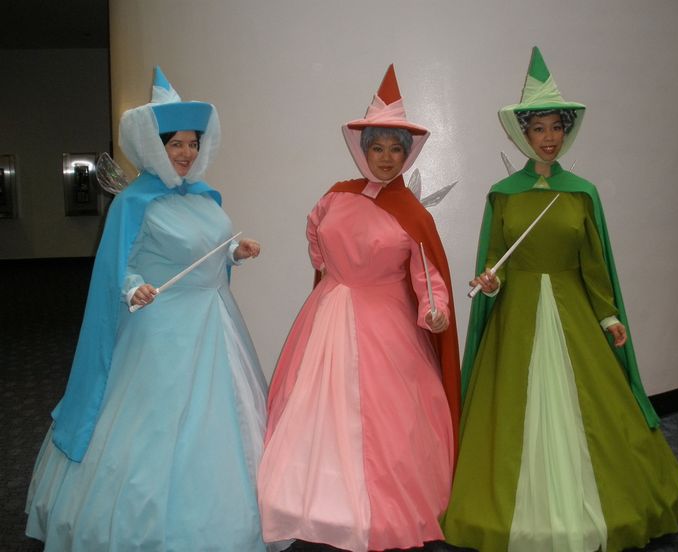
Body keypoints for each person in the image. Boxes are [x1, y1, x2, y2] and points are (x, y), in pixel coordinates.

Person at [442, 47, 678, 552]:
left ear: (566, 132)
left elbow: (595, 266)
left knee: (600, 412)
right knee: (511, 415)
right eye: (540, 129)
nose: (549, 138)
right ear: (523, 134)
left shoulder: (582, 194)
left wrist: (608, 313)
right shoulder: (502, 195)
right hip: (517, 320)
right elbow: (496, 263)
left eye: (557, 128)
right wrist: (491, 282)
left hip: (575, 314)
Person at [25, 67, 268, 551]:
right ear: (154, 146)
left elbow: (210, 247)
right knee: (155, 427)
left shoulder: (203, 196)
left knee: (227, 419)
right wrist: (133, 288)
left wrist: (233, 252)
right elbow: (121, 265)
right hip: (161, 330)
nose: (185, 154)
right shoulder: (134, 202)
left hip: (216, 320)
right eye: (175, 144)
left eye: (192, 144)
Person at [257, 65, 466, 552]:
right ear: (363, 149)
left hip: (386, 324)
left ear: (407, 153)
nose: (388, 158)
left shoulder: (414, 213)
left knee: (384, 421)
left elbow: (426, 275)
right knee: (316, 409)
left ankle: (381, 510)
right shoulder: (335, 196)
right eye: (379, 147)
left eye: (397, 149)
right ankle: (312, 505)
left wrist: (436, 314)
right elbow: (316, 242)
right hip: (328, 314)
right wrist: (336, 276)